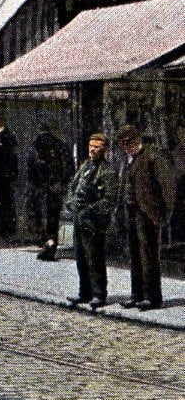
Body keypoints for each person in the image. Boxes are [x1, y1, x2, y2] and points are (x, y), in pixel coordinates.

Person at [118, 125, 172, 311]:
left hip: (148, 214)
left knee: (149, 256)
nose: (127, 148)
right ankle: (137, 295)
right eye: (124, 145)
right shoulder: (128, 160)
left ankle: (152, 297)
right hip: (132, 213)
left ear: (137, 141)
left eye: (130, 144)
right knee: (134, 255)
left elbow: (167, 187)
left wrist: (164, 214)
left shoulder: (153, 156)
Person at [66, 133, 120, 310]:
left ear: (104, 149)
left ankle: (98, 294)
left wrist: (91, 210)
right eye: (90, 146)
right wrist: (71, 202)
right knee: (80, 256)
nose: (92, 149)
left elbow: (109, 199)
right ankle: (84, 293)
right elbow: (73, 186)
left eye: (96, 147)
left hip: (93, 221)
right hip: (79, 217)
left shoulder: (107, 170)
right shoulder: (85, 166)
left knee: (94, 257)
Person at [27, 123, 71, 260]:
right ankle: (51, 245)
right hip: (54, 187)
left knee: (38, 216)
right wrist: (63, 183)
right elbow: (69, 166)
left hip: (39, 188)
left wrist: (34, 185)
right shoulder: (61, 145)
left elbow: (30, 167)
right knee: (53, 219)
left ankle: (44, 243)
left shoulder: (34, 145)